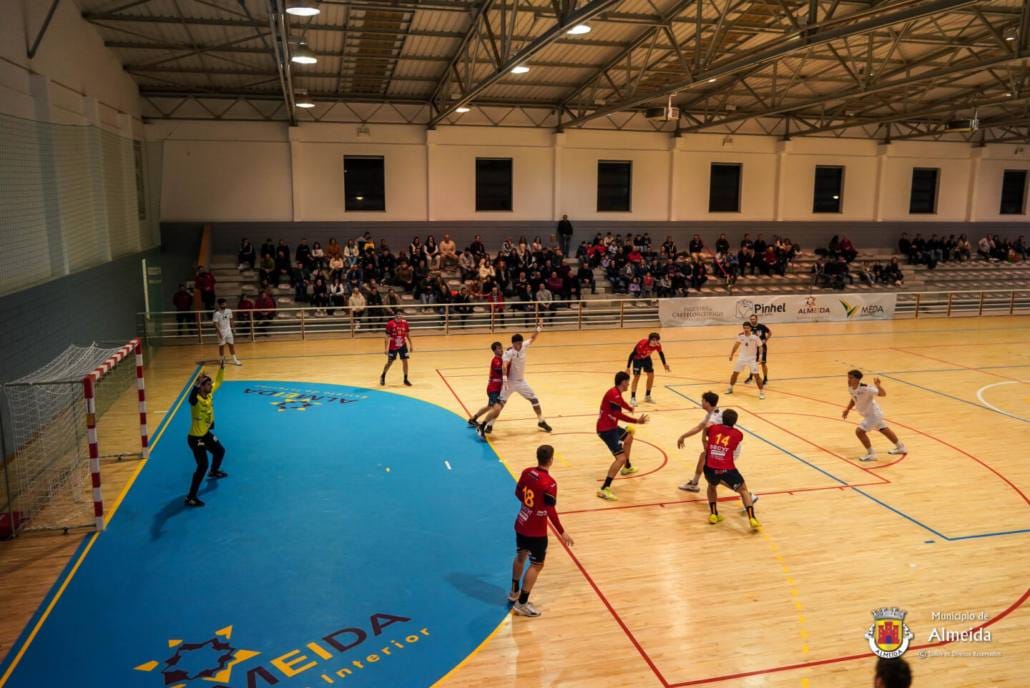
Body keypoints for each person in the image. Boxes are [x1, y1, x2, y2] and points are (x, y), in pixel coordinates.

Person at [510, 444, 573, 617]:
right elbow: (550, 510)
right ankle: (522, 603)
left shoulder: (527, 472)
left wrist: (528, 506)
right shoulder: (550, 483)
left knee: (520, 556)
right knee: (537, 565)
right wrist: (561, 531)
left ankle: (513, 590)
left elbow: (517, 492)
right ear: (551, 460)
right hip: (536, 530)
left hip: (521, 523)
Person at [477, 326, 552, 437]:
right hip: (510, 383)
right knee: (500, 406)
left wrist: (539, 328)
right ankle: (490, 424)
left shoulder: (523, 346)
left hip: (521, 382)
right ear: (513, 344)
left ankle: (541, 421)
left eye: (521, 343)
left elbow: (532, 338)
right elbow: (504, 366)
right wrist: (505, 380)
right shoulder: (508, 353)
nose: (520, 345)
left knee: (534, 400)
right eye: (517, 344)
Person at [596, 371, 650, 501]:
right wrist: (636, 421)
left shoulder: (616, 392)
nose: (629, 384)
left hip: (611, 427)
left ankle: (627, 467)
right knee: (620, 458)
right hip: (606, 430)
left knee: (629, 437)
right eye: (628, 381)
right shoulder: (614, 394)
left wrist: (629, 408)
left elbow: (621, 402)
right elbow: (617, 414)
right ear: (623, 382)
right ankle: (604, 488)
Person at [703, 409, 759, 528]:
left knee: (711, 486)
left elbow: (706, 428)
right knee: (743, 490)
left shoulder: (713, 429)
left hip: (709, 466)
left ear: (722, 418)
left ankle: (713, 514)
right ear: (735, 422)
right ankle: (752, 517)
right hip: (726, 468)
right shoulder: (738, 434)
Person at [184, 361, 229, 507]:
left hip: (205, 434)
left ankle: (214, 471)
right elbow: (190, 398)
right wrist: (196, 384)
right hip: (195, 438)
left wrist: (221, 368)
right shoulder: (196, 400)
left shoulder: (208, 395)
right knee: (202, 465)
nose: (211, 386)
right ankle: (190, 497)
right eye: (208, 385)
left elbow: (219, 382)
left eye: (210, 385)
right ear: (201, 387)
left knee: (220, 451)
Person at [843, 370, 907, 461]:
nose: (848, 380)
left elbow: (883, 394)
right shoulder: (850, 387)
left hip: (874, 414)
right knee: (884, 429)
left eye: (851, 378)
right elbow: (854, 399)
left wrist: (878, 386)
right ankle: (901, 447)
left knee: (859, 432)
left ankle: (871, 454)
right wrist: (847, 409)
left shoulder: (866, 388)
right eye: (848, 377)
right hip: (869, 414)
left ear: (857, 379)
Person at [625, 332, 671, 406]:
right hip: (637, 359)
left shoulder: (657, 345)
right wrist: (628, 367)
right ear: (649, 340)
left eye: (657, 340)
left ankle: (647, 396)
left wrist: (664, 364)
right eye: (654, 340)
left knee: (651, 375)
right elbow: (632, 354)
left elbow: (661, 353)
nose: (655, 342)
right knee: (636, 377)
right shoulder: (642, 344)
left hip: (646, 358)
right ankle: (633, 398)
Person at [468, 342, 505, 429]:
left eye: (501, 348)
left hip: (497, 389)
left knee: (489, 407)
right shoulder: (495, 360)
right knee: (496, 408)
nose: (501, 350)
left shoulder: (501, 359)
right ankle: (485, 425)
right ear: (494, 351)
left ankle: (473, 419)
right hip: (493, 389)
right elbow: (501, 370)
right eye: (499, 348)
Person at [726, 321, 765, 400]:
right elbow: (736, 345)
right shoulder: (740, 336)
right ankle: (730, 388)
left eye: (747, 328)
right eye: (744, 328)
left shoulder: (755, 337)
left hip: (752, 359)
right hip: (742, 358)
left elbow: (760, 346)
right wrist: (731, 354)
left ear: (750, 328)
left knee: (756, 376)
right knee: (735, 373)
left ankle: (761, 392)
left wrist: (760, 357)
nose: (746, 329)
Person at [380, 313, 413, 386]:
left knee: (405, 361)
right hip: (393, 346)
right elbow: (386, 337)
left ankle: (405, 379)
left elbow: (407, 335)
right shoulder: (390, 324)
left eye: (401, 315)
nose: (400, 316)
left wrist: (411, 345)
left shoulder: (405, 323)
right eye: (398, 315)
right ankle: (383, 376)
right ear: (395, 316)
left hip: (403, 345)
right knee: (389, 363)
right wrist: (386, 348)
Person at [212, 298, 241, 366]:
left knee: (231, 345)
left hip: (228, 331)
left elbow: (231, 320)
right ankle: (222, 360)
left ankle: (235, 360)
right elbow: (215, 324)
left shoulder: (229, 311)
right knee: (221, 346)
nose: (224, 305)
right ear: (219, 305)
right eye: (223, 304)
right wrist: (219, 333)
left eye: (225, 303)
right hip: (221, 332)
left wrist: (233, 329)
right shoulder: (216, 313)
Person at [744, 314, 771, 384]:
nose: (752, 320)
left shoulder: (762, 326)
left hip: (762, 347)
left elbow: (770, 333)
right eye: (751, 319)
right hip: (753, 348)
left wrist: (766, 340)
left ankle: (765, 379)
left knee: (763, 363)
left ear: (756, 319)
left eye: (754, 319)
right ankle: (750, 377)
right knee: (752, 363)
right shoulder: (749, 328)